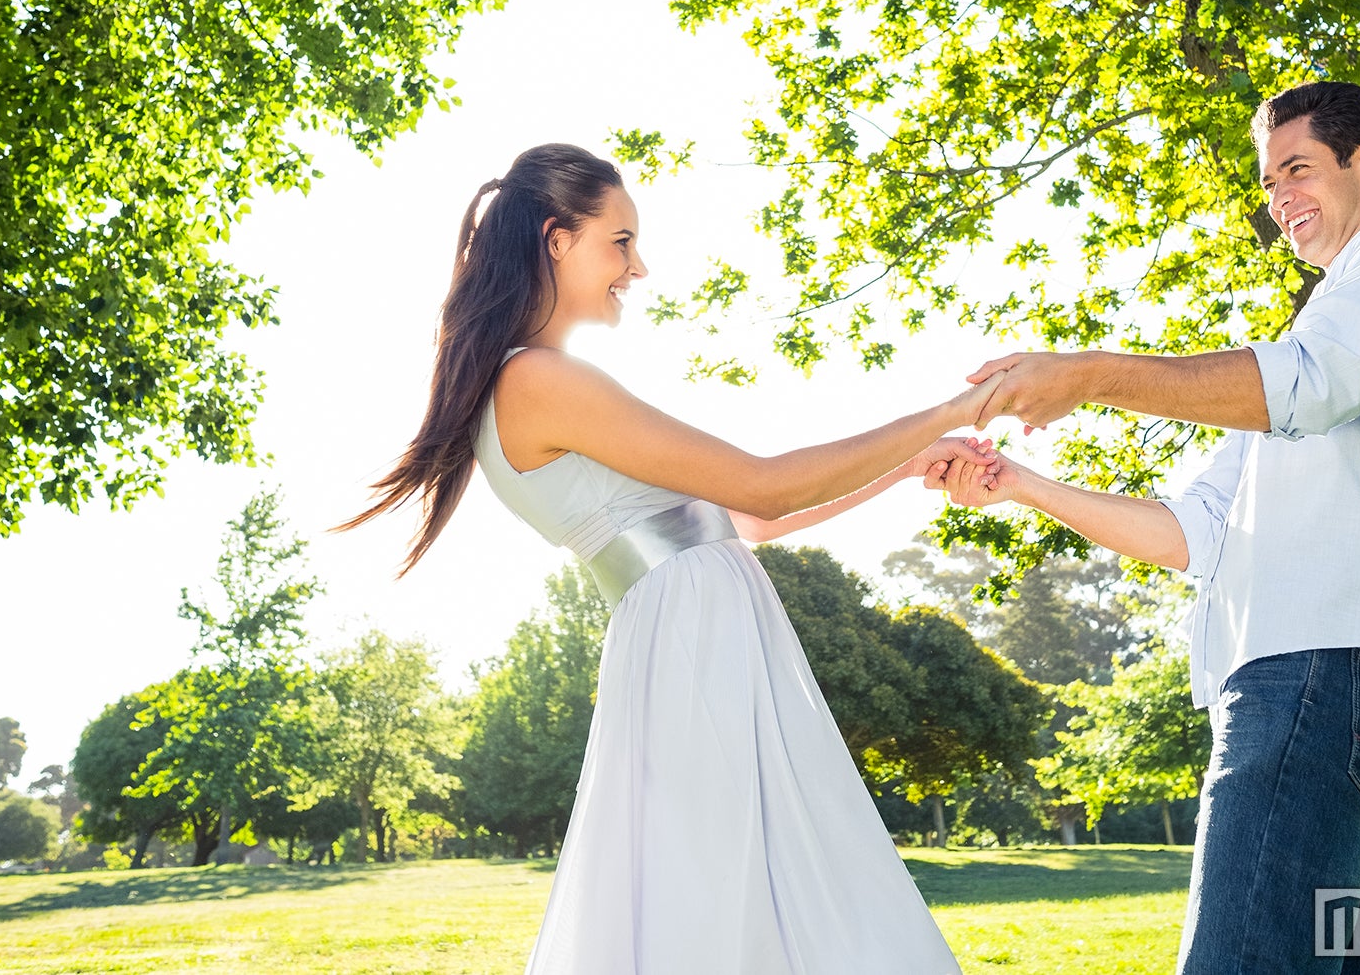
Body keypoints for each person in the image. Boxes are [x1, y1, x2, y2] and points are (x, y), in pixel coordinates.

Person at [345, 141, 998, 975]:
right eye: (620, 240)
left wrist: (907, 465)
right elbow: (764, 488)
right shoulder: (536, 380)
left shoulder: (534, 381)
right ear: (557, 239)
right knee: (733, 892)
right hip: (695, 638)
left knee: (760, 882)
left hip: (698, 628)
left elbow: (739, 521)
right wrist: (955, 406)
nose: (638, 265)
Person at [940, 82, 1360, 973]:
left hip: (1320, 677)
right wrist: (1021, 485)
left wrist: (1084, 374)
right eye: (1270, 183)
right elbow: (1191, 533)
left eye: (1298, 170)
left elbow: (1314, 384)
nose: (1281, 201)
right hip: (1308, 689)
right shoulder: (1298, 359)